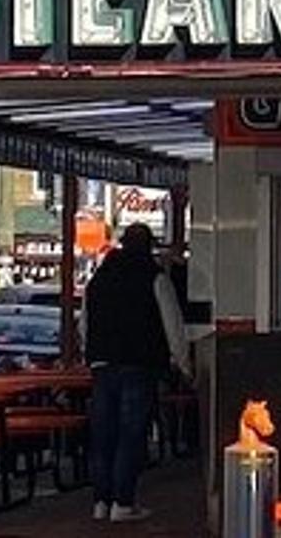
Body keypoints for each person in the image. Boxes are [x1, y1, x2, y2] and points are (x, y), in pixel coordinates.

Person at [79, 222, 188, 522]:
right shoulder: (154, 277)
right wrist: (183, 362)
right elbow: (172, 324)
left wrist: (92, 354)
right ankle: (123, 502)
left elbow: (84, 324)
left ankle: (101, 501)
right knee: (131, 434)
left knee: (104, 435)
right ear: (148, 245)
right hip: (140, 364)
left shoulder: (98, 279)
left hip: (102, 365)